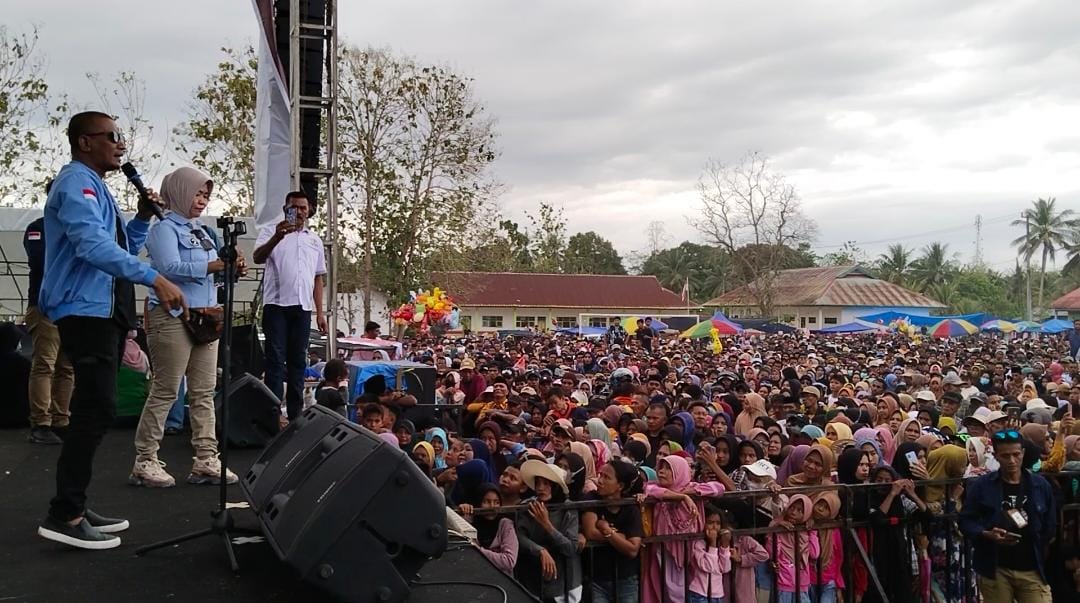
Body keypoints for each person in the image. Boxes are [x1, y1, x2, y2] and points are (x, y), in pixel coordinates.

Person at [36, 111, 185, 550]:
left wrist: (140, 218)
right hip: (85, 310)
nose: (121, 145)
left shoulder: (96, 186)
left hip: (105, 308)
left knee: (95, 407)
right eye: (113, 137)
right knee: (95, 406)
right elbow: (91, 246)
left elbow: (119, 245)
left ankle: (74, 503)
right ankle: (66, 513)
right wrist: (155, 278)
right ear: (85, 142)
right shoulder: (75, 184)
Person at [130, 167, 241, 488]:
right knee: (166, 388)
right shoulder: (162, 228)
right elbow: (169, 268)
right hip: (172, 315)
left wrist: (230, 269)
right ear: (178, 192)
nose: (202, 200)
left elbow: (212, 273)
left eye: (206, 195)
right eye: (197, 193)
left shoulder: (205, 231)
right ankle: (145, 459)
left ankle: (206, 457)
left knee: (204, 391)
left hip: (206, 315)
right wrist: (215, 265)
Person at [253, 191, 327, 421]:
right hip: (276, 305)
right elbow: (257, 257)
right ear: (286, 208)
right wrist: (277, 236)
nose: (299, 212)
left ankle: (295, 415)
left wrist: (320, 312)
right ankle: (272, 413)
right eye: (294, 207)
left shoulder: (314, 240)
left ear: (309, 211)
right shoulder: (270, 231)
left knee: (298, 360)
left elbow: (318, 278)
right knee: (275, 359)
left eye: (303, 208)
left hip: (303, 308)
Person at [959, 428, 1056, 603]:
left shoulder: (1040, 485)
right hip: (995, 568)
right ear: (996, 456)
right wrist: (986, 534)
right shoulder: (982, 486)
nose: (1012, 460)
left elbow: (1050, 525)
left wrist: (1039, 543)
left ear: (1023, 453)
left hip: (1031, 567)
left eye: (1016, 454)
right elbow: (966, 520)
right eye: (1005, 456)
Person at [23, 192, 74, 445]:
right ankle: (41, 422)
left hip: (73, 307)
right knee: (45, 363)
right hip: (44, 305)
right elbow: (41, 261)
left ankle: (61, 420)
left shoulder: (80, 227)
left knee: (67, 366)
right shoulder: (37, 228)